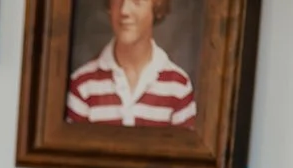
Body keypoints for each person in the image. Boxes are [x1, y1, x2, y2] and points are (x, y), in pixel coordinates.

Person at [66, 0, 197, 129]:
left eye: (136, 1)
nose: (124, 11)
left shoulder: (179, 87)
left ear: (157, 6)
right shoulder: (82, 85)